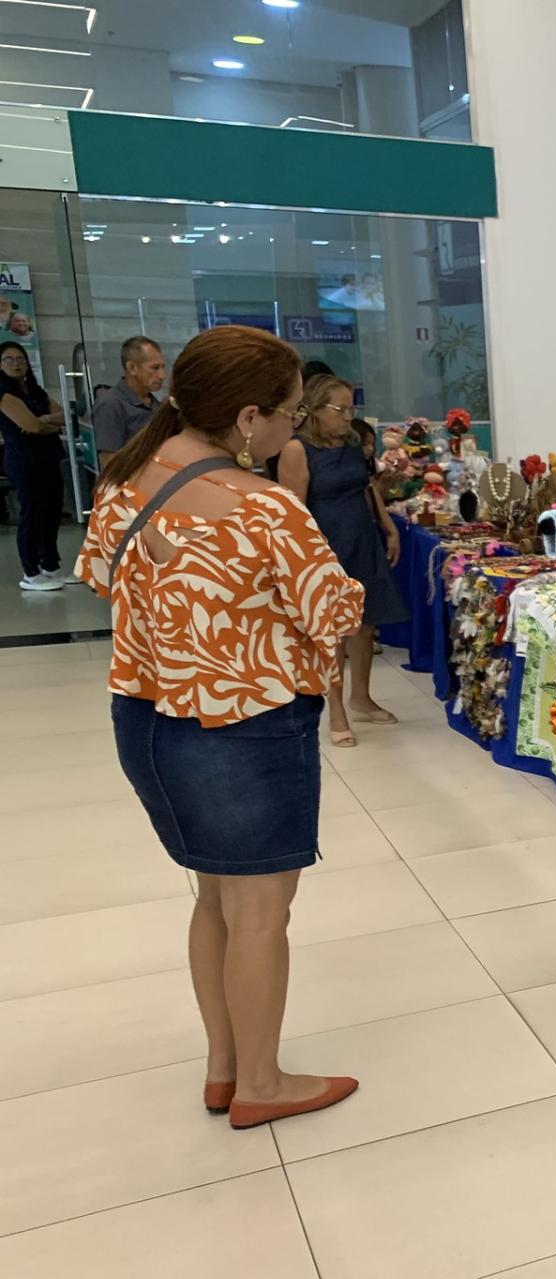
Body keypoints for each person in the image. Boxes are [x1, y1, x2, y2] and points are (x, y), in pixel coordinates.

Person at [78, 325, 364, 1130]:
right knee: (261, 915)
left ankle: (225, 1067)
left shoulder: (123, 481)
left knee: (214, 899)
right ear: (246, 419)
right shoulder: (265, 507)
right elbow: (334, 612)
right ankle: (263, 1085)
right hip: (246, 727)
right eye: (290, 412)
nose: (293, 426)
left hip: (147, 719)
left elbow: (99, 576)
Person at [277, 375, 407, 747]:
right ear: (316, 409)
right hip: (327, 544)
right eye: (341, 409)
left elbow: (367, 489)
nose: (349, 417)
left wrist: (388, 528)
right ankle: (335, 709)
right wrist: (306, 557)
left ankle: (361, 699)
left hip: (363, 537)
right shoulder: (297, 449)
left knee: (364, 624)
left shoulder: (351, 443)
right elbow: (293, 510)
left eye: (352, 408)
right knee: (332, 629)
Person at [1, 340, 72, 591]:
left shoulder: (35, 390)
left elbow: (65, 416)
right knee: (32, 514)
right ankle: (30, 572)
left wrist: (44, 420)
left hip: (48, 457)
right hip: (24, 461)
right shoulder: (4, 393)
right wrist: (45, 424)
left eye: (20, 359)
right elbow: (30, 426)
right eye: (9, 359)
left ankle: (51, 565)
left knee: (52, 511)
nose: (16, 364)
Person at [92, 335, 167, 465]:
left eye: (162, 367)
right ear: (132, 368)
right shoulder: (110, 406)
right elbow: (110, 463)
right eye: (154, 368)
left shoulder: (154, 403)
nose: (162, 375)